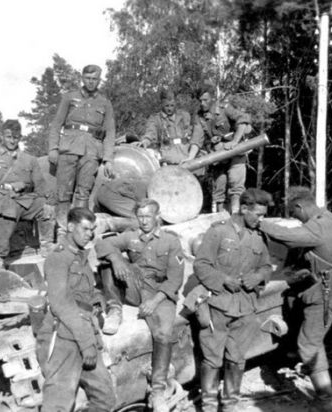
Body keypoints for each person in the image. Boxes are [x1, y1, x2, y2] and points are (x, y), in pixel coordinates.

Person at [258, 187, 332, 412]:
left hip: (325, 293)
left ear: (300, 206)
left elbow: (289, 238)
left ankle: (326, 400)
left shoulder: (317, 226)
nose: (295, 218)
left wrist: (259, 222)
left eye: (293, 213)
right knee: (295, 303)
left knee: (309, 344)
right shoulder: (328, 218)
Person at [97, 199, 185, 412]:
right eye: (140, 217)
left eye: (148, 216)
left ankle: (158, 392)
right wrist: (117, 259)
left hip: (159, 292)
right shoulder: (131, 236)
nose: (144, 221)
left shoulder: (171, 241)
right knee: (107, 262)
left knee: (163, 334)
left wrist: (154, 302)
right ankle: (115, 309)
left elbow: (175, 279)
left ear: (157, 216)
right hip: (135, 286)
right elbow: (101, 244)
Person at [193, 188, 273, 412]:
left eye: (264, 215)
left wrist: (258, 277)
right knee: (212, 359)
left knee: (237, 359)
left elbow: (267, 267)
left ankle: (230, 405)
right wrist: (224, 280)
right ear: (244, 208)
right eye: (258, 214)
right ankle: (209, 406)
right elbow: (201, 264)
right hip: (218, 306)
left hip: (246, 307)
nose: (261, 219)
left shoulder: (258, 237)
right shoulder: (218, 232)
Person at [35, 207, 117, 412]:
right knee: (58, 405)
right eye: (85, 229)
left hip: (85, 330)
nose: (90, 234)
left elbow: (84, 291)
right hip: (65, 336)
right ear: (71, 227)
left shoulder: (80, 256)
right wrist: (87, 343)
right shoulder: (58, 258)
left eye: (92, 229)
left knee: (105, 398)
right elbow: (61, 303)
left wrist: (98, 301)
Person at [0, 119, 54, 271]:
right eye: (8, 137)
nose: (12, 141)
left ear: (20, 137)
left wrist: (48, 200)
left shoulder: (29, 160)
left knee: (46, 208)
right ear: (2, 136)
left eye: (16, 137)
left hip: (23, 201)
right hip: (2, 204)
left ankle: (47, 245)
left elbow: (41, 186)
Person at [48, 65, 116, 228]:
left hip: (91, 151)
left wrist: (108, 159)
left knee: (83, 192)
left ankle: (78, 229)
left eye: (94, 79)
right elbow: (56, 124)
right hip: (69, 149)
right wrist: (53, 148)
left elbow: (110, 132)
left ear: (99, 80)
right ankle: (63, 229)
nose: (91, 82)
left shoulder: (105, 103)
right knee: (63, 192)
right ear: (82, 78)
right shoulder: (69, 97)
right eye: (88, 78)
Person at [191, 84, 251, 214]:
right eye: (200, 100)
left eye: (205, 100)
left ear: (212, 99)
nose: (202, 103)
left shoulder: (225, 108)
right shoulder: (199, 117)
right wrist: (190, 158)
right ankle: (221, 217)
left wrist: (235, 141)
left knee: (236, 184)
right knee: (219, 187)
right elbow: (196, 139)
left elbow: (243, 121)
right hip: (218, 155)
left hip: (235, 153)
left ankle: (236, 215)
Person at [141, 89, 201, 166]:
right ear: (161, 104)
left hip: (186, 158)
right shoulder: (156, 119)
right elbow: (150, 132)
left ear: (175, 103)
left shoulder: (185, 116)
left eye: (172, 105)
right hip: (167, 161)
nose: (169, 109)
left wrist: (192, 155)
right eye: (167, 106)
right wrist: (146, 141)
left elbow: (197, 132)